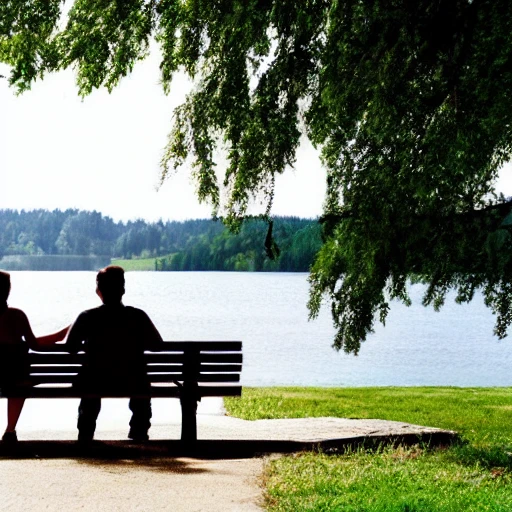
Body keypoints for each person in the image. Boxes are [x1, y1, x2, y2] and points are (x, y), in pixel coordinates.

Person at [63, 265, 164, 443]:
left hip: (96, 380)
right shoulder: (138, 316)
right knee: (141, 381)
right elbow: (157, 345)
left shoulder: (87, 317)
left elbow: (70, 347)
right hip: (132, 379)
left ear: (98, 290)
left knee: (89, 383)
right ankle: (139, 431)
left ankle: (85, 433)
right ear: (123, 289)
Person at [0, 270, 69, 443]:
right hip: (14, 376)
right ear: (7, 290)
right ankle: (10, 430)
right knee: (18, 383)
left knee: (16, 380)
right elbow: (35, 345)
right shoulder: (17, 316)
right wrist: (60, 335)